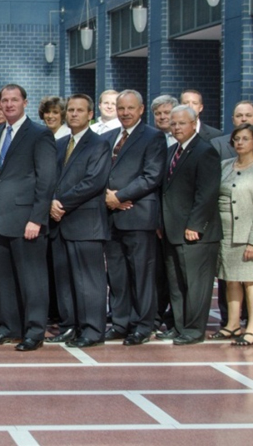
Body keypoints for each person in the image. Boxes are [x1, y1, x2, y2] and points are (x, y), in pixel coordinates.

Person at [0, 84, 58, 351]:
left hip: (27, 220)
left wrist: (37, 218)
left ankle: (34, 331)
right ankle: (9, 327)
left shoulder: (39, 134)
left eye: (14, 100)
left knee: (32, 280)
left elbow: (47, 179)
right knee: (4, 279)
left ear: (25, 102)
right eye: (5, 100)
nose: (9, 104)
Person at [101, 90, 166, 346]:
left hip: (138, 215)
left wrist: (121, 196)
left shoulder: (153, 136)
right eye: (121, 108)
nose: (125, 113)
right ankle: (120, 322)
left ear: (140, 110)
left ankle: (142, 325)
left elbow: (152, 176)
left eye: (130, 108)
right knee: (116, 274)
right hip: (110, 216)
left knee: (141, 273)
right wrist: (107, 196)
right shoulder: (106, 137)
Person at [47, 94, 111, 348]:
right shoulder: (60, 143)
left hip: (85, 223)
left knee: (89, 282)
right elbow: (49, 178)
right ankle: (69, 326)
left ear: (90, 114)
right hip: (59, 223)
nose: (73, 114)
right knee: (64, 280)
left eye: (79, 110)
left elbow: (93, 182)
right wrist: (50, 200)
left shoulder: (99, 144)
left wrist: (61, 203)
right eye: (70, 110)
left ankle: (92, 330)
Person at [159, 105, 222, 345]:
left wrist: (195, 225)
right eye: (173, 124)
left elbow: (206, 193)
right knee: (176, 284)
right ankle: (179, 325)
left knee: (196, 285)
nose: (176, 128)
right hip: (171, 230)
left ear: (194, 123)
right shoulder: (172, 150)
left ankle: (194, 330)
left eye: (181, 123)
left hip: (195, 233)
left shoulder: (205, 151)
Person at [209, 123, 253, 346]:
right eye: (237, 139)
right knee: (230, 280)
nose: (240, 143)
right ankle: (232, 324)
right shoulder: (225, 165)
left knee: (251, 281)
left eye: (245, 139)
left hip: (248, 235)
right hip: (226, 232)